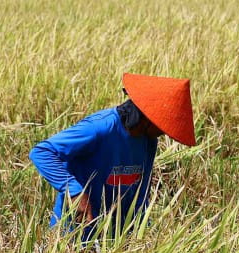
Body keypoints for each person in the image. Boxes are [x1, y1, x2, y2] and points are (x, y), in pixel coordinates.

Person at [29, 73, 196, 241]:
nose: (165, 132)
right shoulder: (99, 128)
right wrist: (74, 192)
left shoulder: (149, 141)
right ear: (147, 117)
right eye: (163, 125)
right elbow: (42, 153)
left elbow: (140, 190)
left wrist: (140, 231)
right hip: (75, 232)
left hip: (114, 238)